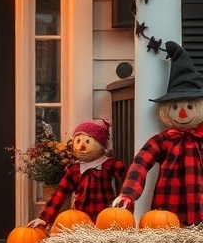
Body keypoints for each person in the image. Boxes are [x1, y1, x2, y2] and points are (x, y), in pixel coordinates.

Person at [113, 41, 203, 226]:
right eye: (176, 106)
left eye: (189, 106)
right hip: (167, 211)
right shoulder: (163, 140)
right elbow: (140, 164)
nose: (183, 113)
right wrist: (128, 194)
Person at [29, 119, 126, 228]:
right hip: (80, 218)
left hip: (104, 215)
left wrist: (125, 204)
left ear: (101, 144)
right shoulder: (75, 170)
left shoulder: (108, 165)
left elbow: (128, 181)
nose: (81, 147)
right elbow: (60, 193)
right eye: (78, 141)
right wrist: (44, 218)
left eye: (87, 142)